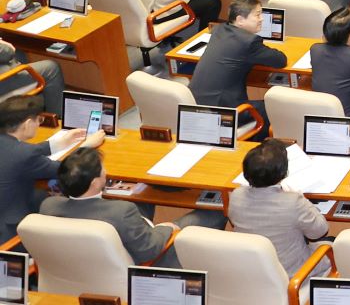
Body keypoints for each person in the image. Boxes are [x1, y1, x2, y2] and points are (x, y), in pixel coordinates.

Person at [42, 146, 225, 264]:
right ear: (95, 183)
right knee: (213, 213)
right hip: (143, 259)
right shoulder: (121, 212)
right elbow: (150, 249)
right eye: (102, 169)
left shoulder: (49, 206)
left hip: (87, 264)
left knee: (140, 197)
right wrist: (169, 227)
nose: (105, 170)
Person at [0, 93, 105, 242]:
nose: (39, 124)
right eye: (39, 120)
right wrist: (86, 146)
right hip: (11, 233)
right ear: (28, 124)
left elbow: (19, 152)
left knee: (43, 194)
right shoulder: (24, 155)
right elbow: (67, 170)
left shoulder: (12, 146)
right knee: (54, 195)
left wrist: (57, 144)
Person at [229, 140, 332, 276]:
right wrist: (303, 200)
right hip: (293, 273)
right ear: (284, 173)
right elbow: (320, 231)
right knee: (335, 242)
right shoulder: (293, 202)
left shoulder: (236, 196)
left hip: (254, 270)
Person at [189, 0, 285, 136]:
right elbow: (280, 60)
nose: (262, 19)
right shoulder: (249, 42)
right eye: (257, 15)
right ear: (240, 20)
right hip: (224, 112)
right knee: (274, 108)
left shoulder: (218, 29)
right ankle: (254, 143)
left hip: (196, 105)